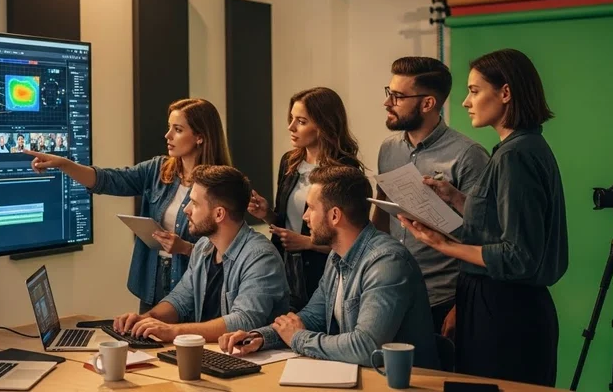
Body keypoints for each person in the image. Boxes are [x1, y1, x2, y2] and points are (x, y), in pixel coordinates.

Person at [400, 49, 568, 386]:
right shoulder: (521, 147)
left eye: (474, 90)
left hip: (505, 312)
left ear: (505, 93)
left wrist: (443, 245)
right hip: (504, 307)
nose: (464, 101)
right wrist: (458, 199)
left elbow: (518, 255)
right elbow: (503, 223)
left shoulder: (515, 155)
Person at [220, 166, 439, 369]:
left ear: (335, 215)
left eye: (311, 209)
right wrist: (261, 337)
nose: (305, 217)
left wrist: (297, 338)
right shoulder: (337, 255)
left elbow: (365, 347)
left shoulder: (387, 262)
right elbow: (312, 317)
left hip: (407, 383)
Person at [25, 98, 232, 312]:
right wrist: (64, 164)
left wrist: (187, 248)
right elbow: (108, 180)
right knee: (146, 340)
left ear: (200, 137)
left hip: (196, 286)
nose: (167, 136)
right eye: (168, 127)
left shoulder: (222, 183)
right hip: (153, 281)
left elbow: (229, 249)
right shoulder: (157, 170)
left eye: (177, 129)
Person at [371, 57, 489, 337]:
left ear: (427, 104)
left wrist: (463, 305)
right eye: (389, 93)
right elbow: (382, 221)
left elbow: (483, 236)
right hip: (394, 292)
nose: (387, 103)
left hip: (444, 299)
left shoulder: (468, 155)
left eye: (398, 96)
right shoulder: (388, 149)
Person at [112, 165, 289, 342]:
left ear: (219, 214)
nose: (186, 210)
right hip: (211, 354)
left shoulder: (261, 257)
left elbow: (244, 320)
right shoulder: (204, 247)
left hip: (252, 361)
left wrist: (172, 332)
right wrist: (147, 319)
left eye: (195, 203)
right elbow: (179, 300)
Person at [247, 88, 363, 311]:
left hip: (321, 269)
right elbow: (286, 220)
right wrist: (267, 214)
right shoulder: (289, 162)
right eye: (291, 119)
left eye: (300, 121)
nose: (291, 127)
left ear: (323, 125)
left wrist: (307, 242)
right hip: (284, 266)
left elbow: (352, 238)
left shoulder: (344, 170)